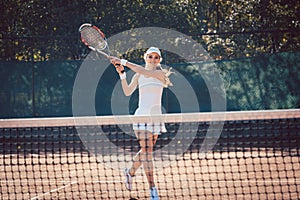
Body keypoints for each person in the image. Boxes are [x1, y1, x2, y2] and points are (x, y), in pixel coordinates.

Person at [110, 47, 173, 200]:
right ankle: (152, 189)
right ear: (145, 57)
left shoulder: (160, 74)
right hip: (141, 116)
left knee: (145, 152)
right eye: (150, 56)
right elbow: (127, 91)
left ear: (159, 60)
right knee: (147, 151)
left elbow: (146, 73)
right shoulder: (138, 75)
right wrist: (122, 74)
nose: (153, 59)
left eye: (156, 57)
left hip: (156, 117)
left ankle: (130, 172)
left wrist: (123, 61)